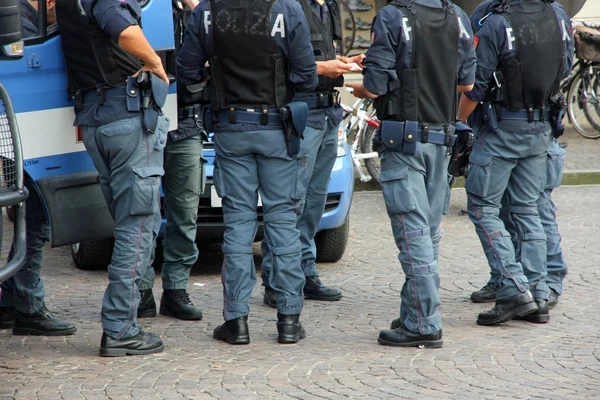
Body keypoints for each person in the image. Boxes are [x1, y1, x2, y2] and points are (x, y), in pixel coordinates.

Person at [178, 0, 317, 344]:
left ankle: (236, 322)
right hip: (277, 129)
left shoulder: (206, 10)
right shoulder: (287, 8)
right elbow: (307, 76)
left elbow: (186, 71)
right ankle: (288, 320)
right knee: (283, 220)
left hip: (231, 127)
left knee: (239, 222)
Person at [347, 0, 476, 348]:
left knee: (413, 236)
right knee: (428, 234)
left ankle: (423, 323)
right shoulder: (457, 16)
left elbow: (373, 88)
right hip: (442, 141)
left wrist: (359, 87)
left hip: (405, 144)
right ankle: (414, 311)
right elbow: (467, 84)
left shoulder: (392, 16)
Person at [56, 0, 170, 356]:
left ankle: (125, 319)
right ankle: (120, 328)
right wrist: (155, 63)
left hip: (95, 119)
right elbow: (124, 30)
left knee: (128, 224)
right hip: (127, 117)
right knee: (137, 227)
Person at [457, 0, 573, 325]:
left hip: (501, 130)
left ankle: (512, 288)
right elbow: (566, 65)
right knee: (527, 209)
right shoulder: (558, 16)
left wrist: (457, 122)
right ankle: (538, 295)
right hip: (540, 128)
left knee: (483, 208)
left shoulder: (496, 23)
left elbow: (474, 87)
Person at [261, 0, 364, 308]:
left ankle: (304, 272)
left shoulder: (327, 7)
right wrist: (323, 68)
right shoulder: (287, 6)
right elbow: (274, 61)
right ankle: (277, 280)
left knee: (314, 203)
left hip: (328, 114)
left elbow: (318, 55)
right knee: (290, 202)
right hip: (300, 115)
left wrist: (342, 62)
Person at [0, 0, 76, 337]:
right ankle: (28, 306)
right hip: (24, 133)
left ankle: (11, 301)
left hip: (16, 131)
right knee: (35, 220)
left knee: (28, 218)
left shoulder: (21, 18)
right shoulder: (25, 25)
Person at [137, 0, 204, 322]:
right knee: (142, 212)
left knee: (185, 212)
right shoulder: (142, 7)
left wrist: (198, 10)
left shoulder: (202, 11)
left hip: (187, 123)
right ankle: (140, 291)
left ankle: (175, 289)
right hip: (143, 121)